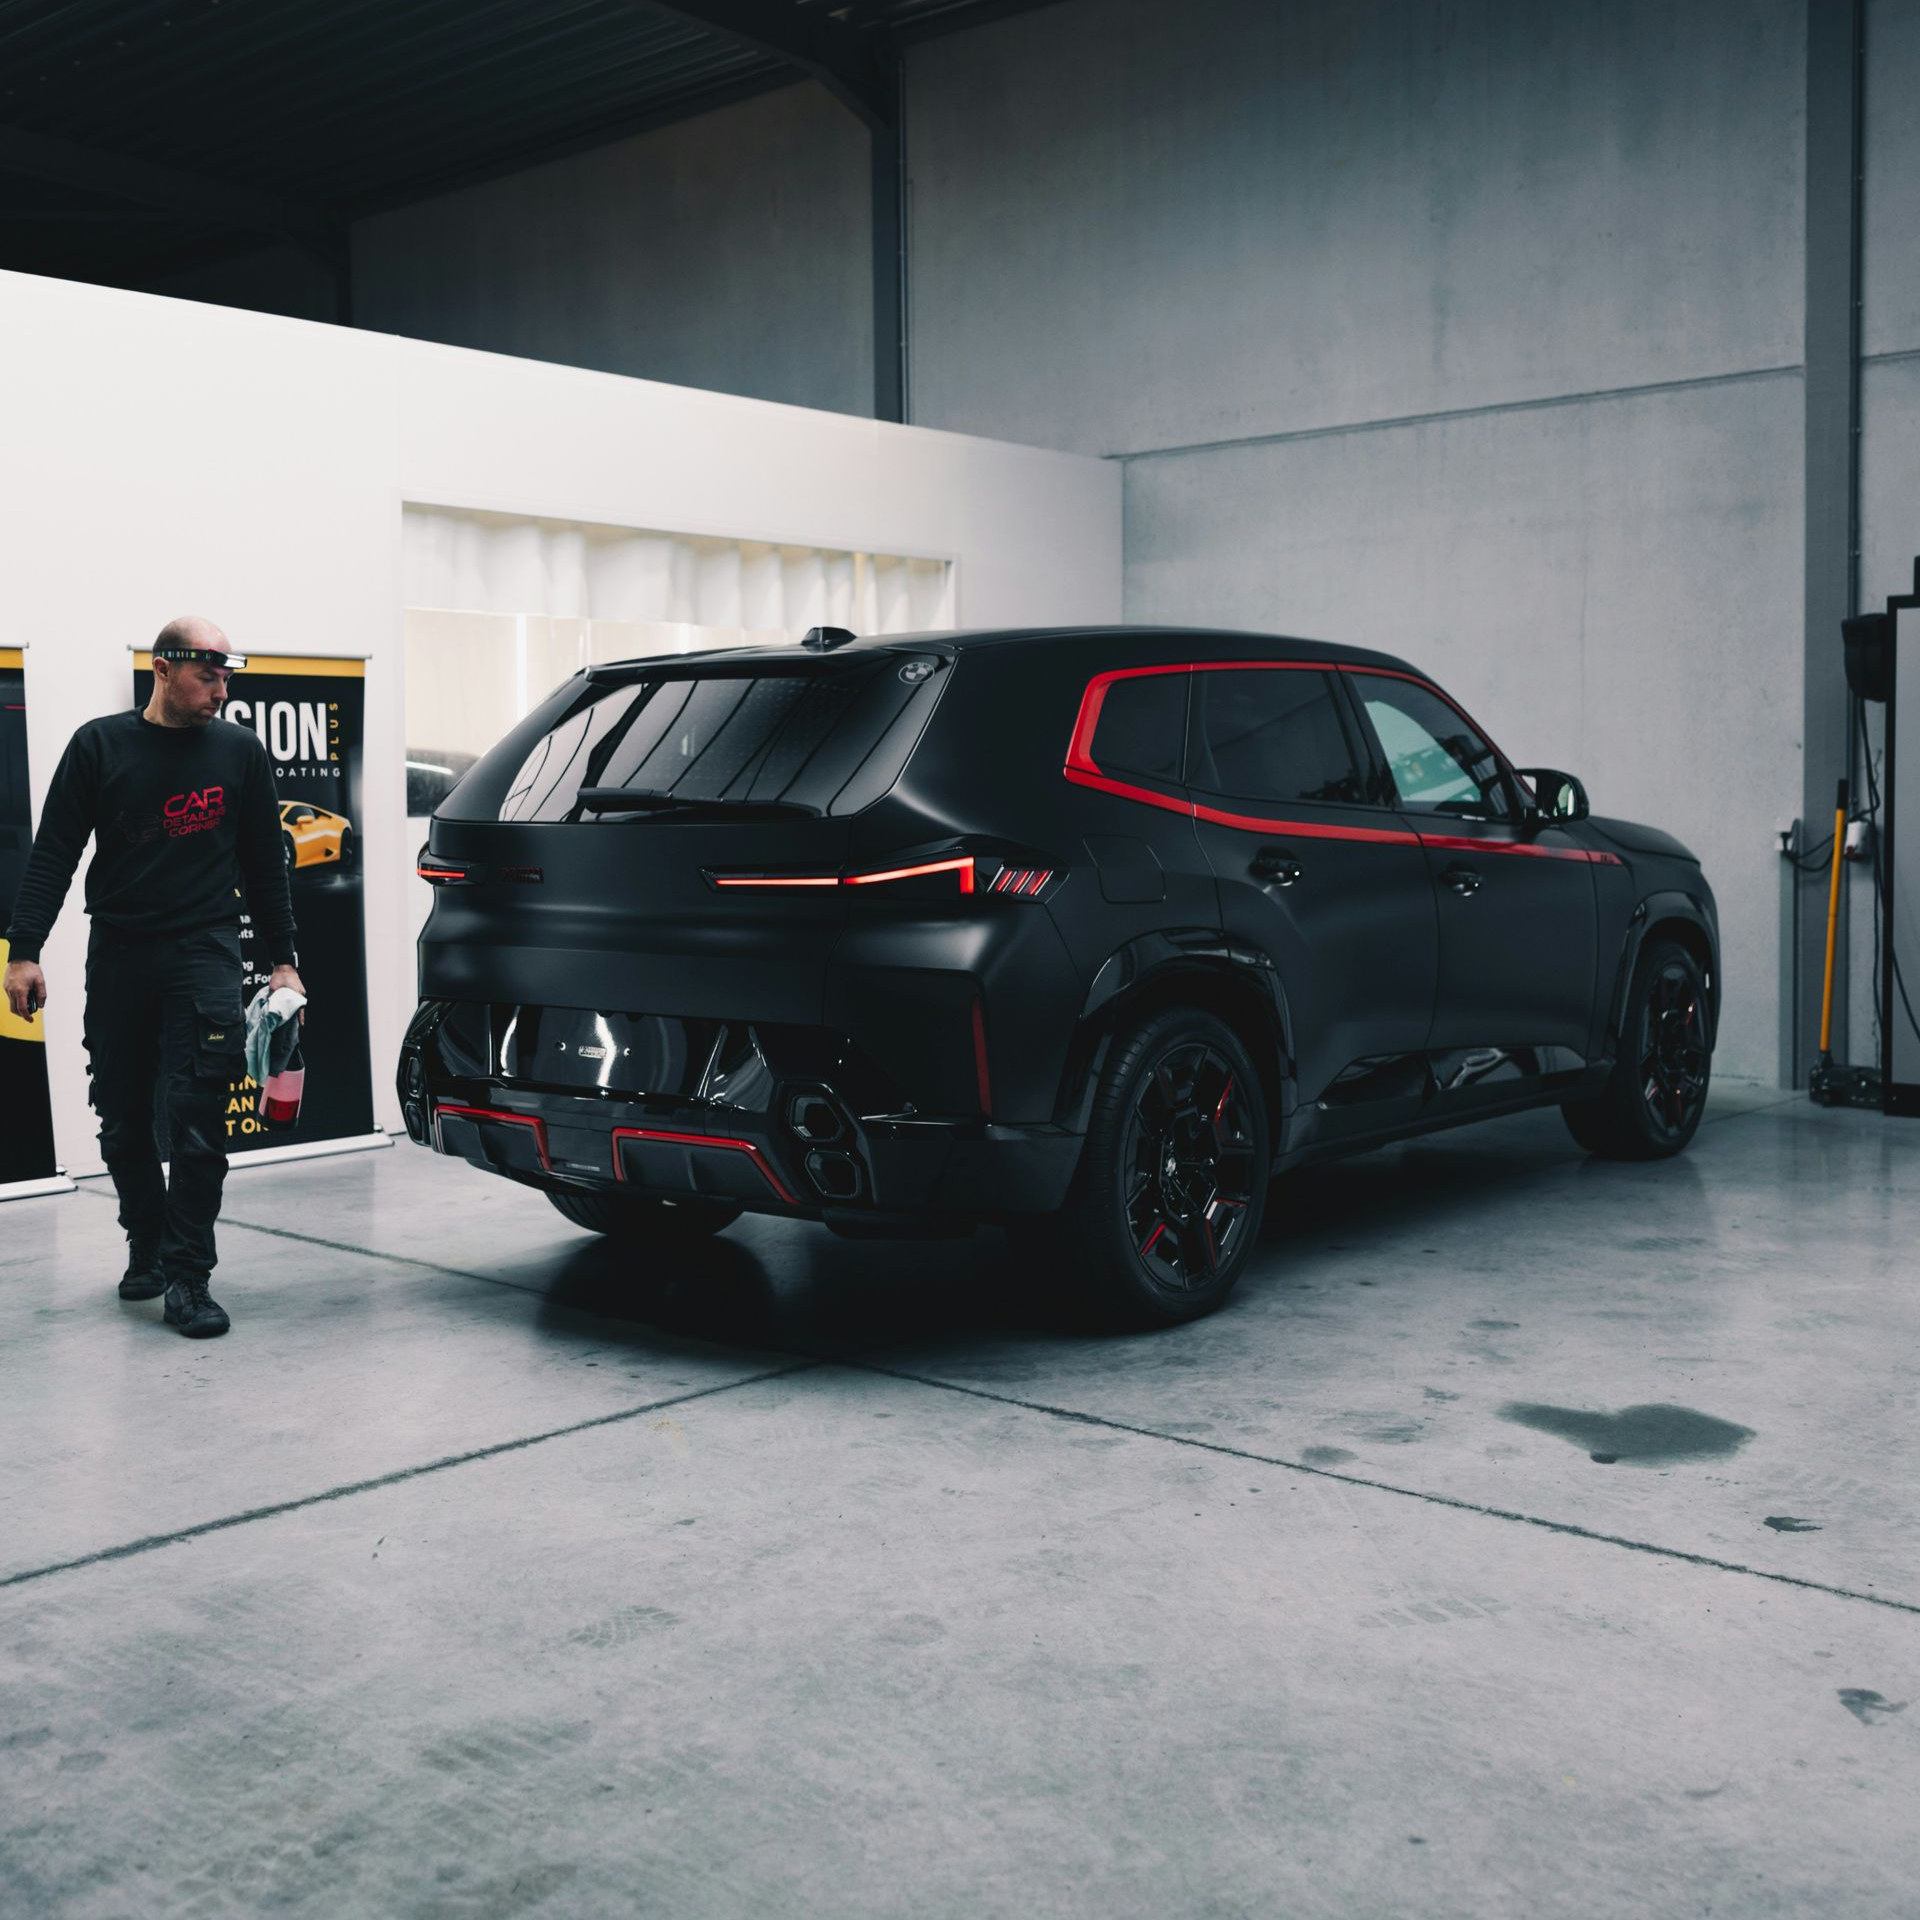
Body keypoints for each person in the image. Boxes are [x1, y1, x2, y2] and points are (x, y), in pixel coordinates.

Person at [2, 617, 307, 1338]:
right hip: (120, 951)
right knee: (121, 1114)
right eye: (208, 677)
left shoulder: (239, 752)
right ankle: (145, 1241)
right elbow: (54, 853)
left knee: (199, 1118)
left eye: (226, 678)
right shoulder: (99, 746)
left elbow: (265, 864)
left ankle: (188, 1277)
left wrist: (285, 958)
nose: (221, 692)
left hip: (204, 949)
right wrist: (23, 950)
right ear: (163, 669)